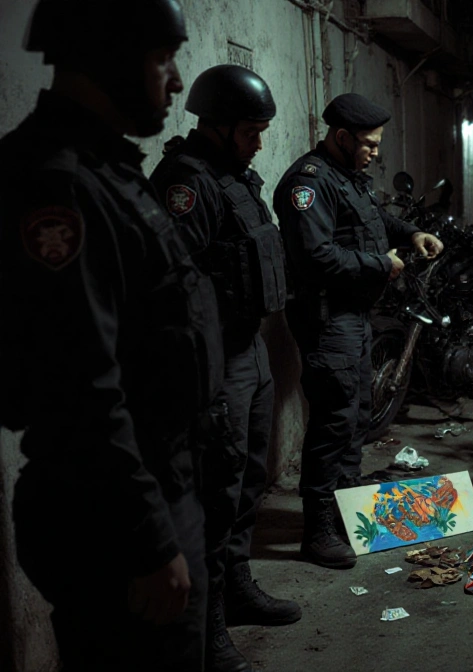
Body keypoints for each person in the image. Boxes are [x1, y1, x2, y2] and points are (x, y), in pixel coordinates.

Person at [0, 1, 221, 669]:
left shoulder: (107, 169)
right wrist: (151, 541)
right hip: (112, 516)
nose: (177, 82)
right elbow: (82, 388)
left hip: (145, 488)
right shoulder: (58, 184)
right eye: (162, 61)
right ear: (109, 62)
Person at [149, 64, 302, 672]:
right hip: (215, 360)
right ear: (217, 125)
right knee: (215, 490)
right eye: (251, 130)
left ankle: (237, 587)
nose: (260, 141)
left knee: (246, 482)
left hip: (251, 348)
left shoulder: (234, 176)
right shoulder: (185, 184)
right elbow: (171, 289)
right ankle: (208, 628)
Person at [274, 93, 443, 569]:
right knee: (333, 422)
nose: (374, 152)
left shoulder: (347, 177)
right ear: (342, 137)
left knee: (354, 415)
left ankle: (345, 504)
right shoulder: (306, 184)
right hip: (328, 320)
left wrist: (409, 233)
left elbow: (373, 219)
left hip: (353, 317)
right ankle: (319, 531)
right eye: (368, 144)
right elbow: (315, 257)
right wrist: (380, 264)